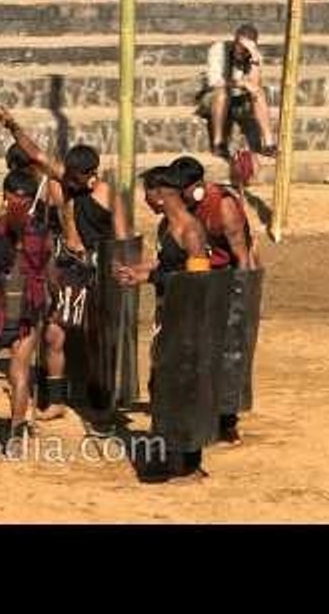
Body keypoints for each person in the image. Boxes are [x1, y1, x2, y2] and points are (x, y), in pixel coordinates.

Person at [0, 106, 128, 424]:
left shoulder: (109, 196)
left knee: (97, 337)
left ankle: (102, 401)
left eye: (74, 177)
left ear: (91, 174)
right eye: (66, 175)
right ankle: (56, 400)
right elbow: (36, 154)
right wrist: (13, 126)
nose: (67, 181)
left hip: (96, 270)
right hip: (67, 267)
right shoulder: (65, 180)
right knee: (54, 333)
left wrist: (120, 271)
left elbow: (123, 239)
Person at [115, 165, 213, 480]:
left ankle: (187, 462)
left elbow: (197, 282)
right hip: (167, 317)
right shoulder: (165, 227)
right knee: (160, 385)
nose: (145, 199)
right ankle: (168, 453)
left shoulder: (191, 232)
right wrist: (138, 274)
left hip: (187, 324)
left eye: (147, 193)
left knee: (180, 388)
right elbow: (164, 266)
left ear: (159, 194)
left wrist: (154, 277)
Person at [170, 156, 259, 445]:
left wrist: (242, 299)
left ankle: (227, 421)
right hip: (201, 278)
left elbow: (241, 256)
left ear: (196, 185)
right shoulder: (183, 207)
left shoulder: (223, 206)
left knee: (229, 353)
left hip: (228, 279)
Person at [0, 169, 51, 458]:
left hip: (1, 309)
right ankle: (11, 435)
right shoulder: (40, 233)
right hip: (18, 311)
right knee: (15, 373)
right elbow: (47, 272)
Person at [197, 23, 277, 159]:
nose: (241, 50)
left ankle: (269, 144)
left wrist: (254, 59)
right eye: (239, 46)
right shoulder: (218, 49)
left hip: (240, 99)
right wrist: (243, 83)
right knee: (222, 93)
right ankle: (218, 143)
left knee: (259, 93)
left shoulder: (254, 55)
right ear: (235, 40)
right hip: (213, 98)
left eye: (246, 48)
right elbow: (215, 82)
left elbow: (255, 85)